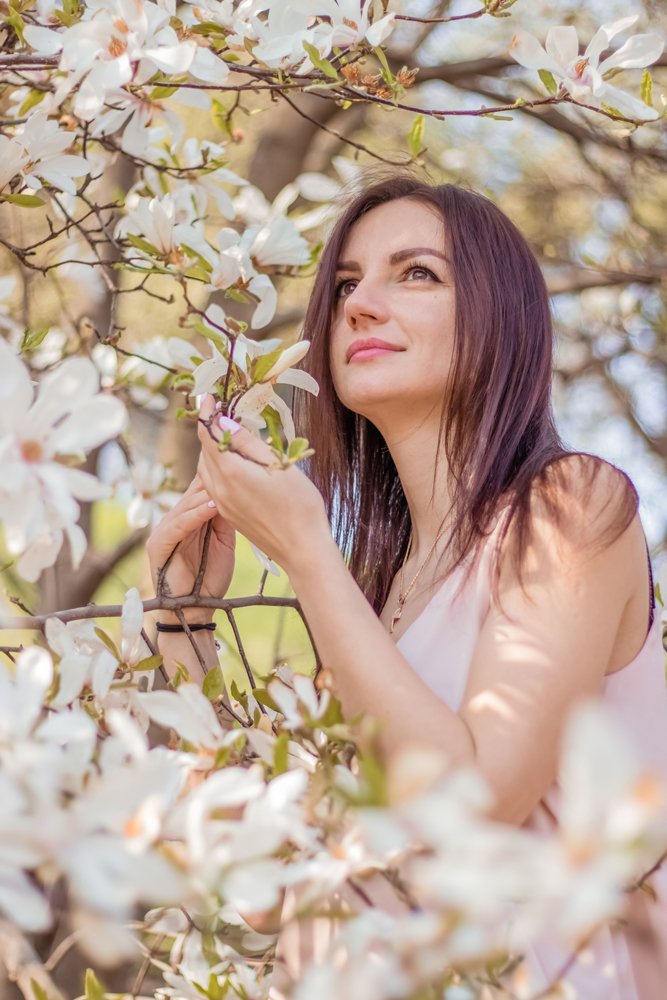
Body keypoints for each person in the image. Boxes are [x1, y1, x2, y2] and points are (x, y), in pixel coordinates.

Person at [147, 175, 667, 998]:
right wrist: (184, 625)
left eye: (415, 272)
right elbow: (263, 891)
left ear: (499, 315)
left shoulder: (572, 505)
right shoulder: (375, 602)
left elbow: (475, 799)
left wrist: (307, 551)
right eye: (346, 284)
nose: (357, 305)